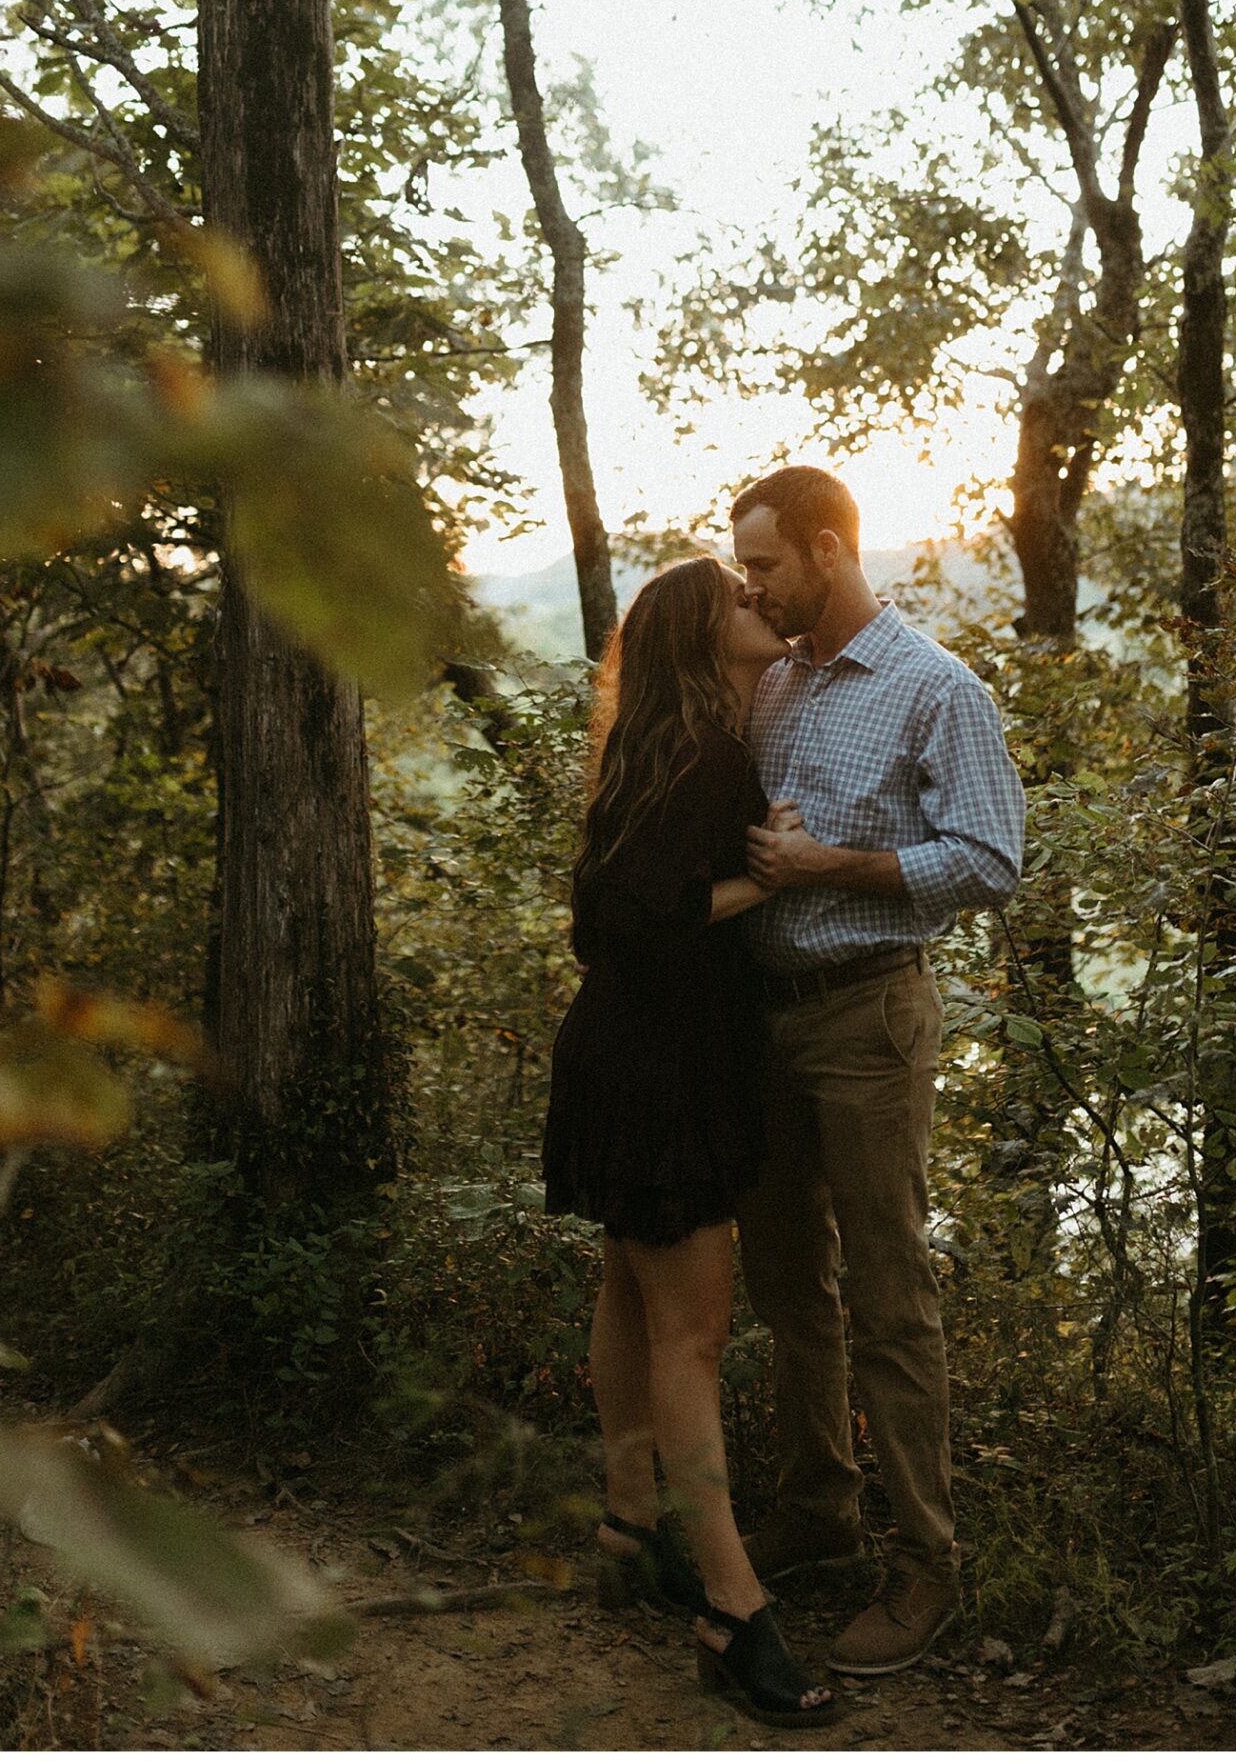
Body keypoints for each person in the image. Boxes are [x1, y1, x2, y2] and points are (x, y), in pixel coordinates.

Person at [731, 466, 1026, 1677]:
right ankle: (817, 1514)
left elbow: (988, 855)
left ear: (830, 548)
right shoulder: (778, 683)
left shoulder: (932, 687)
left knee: (892, 1296)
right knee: (790, 1284)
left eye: (765, 566)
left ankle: (926, 1566)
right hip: (763, 1023)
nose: (749, 587)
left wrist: (830, 868)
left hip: (867, 1018)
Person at [541, 556, 838, 1725]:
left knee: (629, 1281)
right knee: (695, 1339)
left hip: (618, 1053)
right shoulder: (704, 756)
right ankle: (730, 1603)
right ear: (700, 638)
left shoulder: (642, 749)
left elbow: (595, 917)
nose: (757, 602)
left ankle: (626, 1520)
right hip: (663, 1068)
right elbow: (648, 921)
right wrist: (767, 878)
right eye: (737, 597)